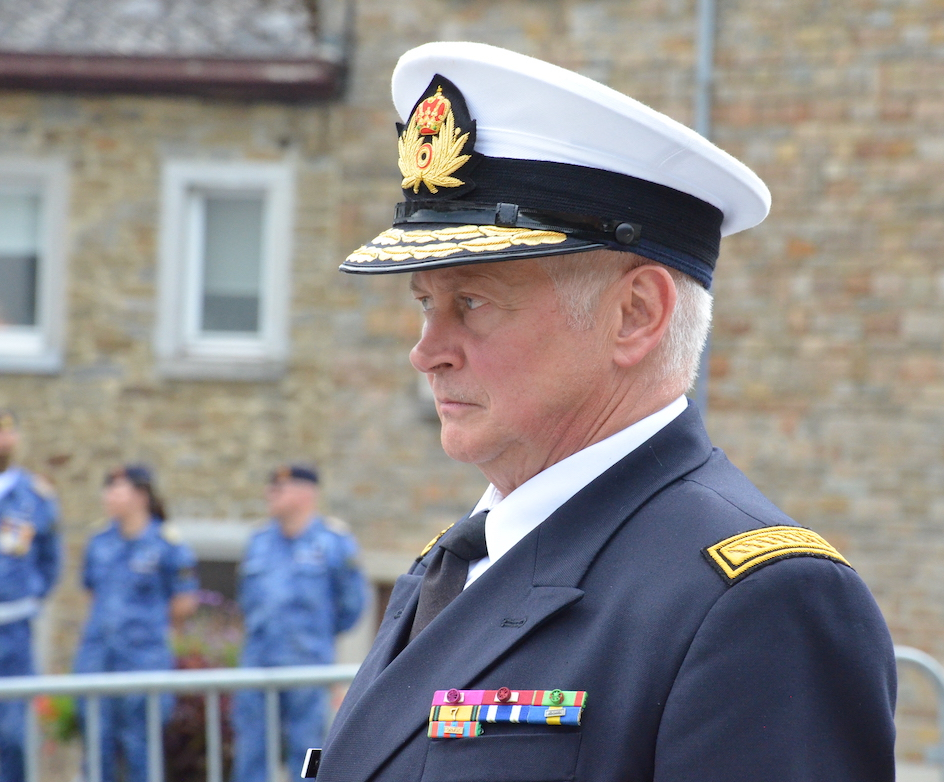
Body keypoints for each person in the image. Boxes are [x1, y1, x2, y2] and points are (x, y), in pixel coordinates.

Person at [313, 42, 898, 782]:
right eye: (426, 303)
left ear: (635, 314)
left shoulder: (762, 601)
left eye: (473, 302)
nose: (426, 352)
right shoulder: (457, 562)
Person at [231, 465, 366, 782]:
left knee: (307, 752)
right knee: (251, 751)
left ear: (307, 493)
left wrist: (315, 639)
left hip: (308, 666)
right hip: (257, 665)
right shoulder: (259, 540)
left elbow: (352, 606)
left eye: (281, 489)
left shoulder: (333, 542)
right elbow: (246, 600)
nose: (270, 494)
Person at [73, 464, 198, 782]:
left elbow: (184, 602)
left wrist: (146, 632)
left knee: (141, 747)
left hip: (143, 658)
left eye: (118, 489)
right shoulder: (100, 541)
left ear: (142, 495)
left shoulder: (166, 543)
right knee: (96, 745)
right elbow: (92, 592)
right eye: (107, 489)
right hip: (99, 657)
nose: (109, 496)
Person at [0, 410, 61, 782]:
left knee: (13, 734)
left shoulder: (34, 496)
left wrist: (30, 599)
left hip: (9, 630)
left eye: (6, 437)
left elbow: (51, 559)